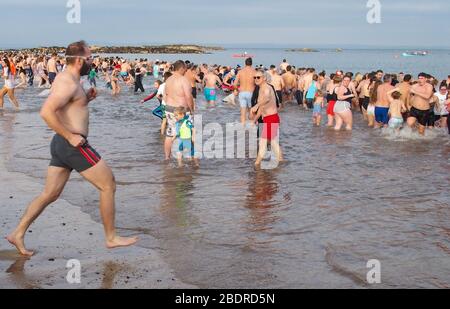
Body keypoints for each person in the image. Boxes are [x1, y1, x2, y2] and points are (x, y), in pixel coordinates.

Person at [6, 41, 138, 256]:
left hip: (61, 143)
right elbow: (46, 112)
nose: (92, 62)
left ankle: (17, 233)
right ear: (79, 60)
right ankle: (111, 237)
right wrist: (71, 136)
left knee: (50, 194)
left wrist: (85, 100)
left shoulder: (68, 79)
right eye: (89, 58)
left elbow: (67, 109)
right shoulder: (68, 82)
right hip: (71, 144)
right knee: (108, 185)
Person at [250, 70, 283, 167]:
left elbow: (267, 98)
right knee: (272, 143)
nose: (256, 79)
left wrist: (256, 105)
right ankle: (281, 161)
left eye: (258, 77)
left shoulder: (267, 88)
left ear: (264, 78)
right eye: (254, 77)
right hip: (267, 119)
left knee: (263, 142)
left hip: (272, 118)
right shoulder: (260, 88)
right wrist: (254, 120)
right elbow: (262, 108)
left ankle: (257, 164)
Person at [163, 60, 194, 160]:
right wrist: (192, 110)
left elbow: (165, 96)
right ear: (181, 68)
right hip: (181, 110)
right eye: (185, 68)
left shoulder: (168, 80)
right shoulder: (183, 80)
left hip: (168, 108)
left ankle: (167, 158)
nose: (186, 70)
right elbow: (188, 96)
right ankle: (189, 157)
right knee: (187, 133)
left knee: (169, 134)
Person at [234, 58, 256, 125]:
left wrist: (237, 89)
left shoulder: (240, 72)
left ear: (245, 63)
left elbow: (234, 84)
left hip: (242, 93)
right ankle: (252, 127)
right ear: (251, 63)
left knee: (243, 113)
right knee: (251, 112)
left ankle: (243, 127)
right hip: (251, 93)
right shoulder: (254, 71)